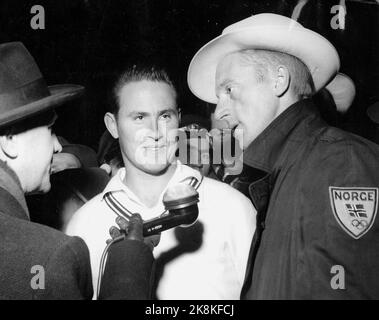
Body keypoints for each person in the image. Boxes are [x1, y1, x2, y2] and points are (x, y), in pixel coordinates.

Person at [187, 13, 379, 299]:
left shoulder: (340, 162)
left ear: (279, 81)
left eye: (229, 90)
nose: (220, 112)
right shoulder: (283, 171)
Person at [66, 64, 256, 299]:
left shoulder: (231, 206)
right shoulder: (84, 224)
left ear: (178, 118)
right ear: (112, 125)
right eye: (139, 117)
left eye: (165, 116)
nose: (155, 132)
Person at [0, 42, 154, 299]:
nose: (58, 145)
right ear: (10, 141)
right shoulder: (52, 256)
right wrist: (129, 271)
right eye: (50, 130)